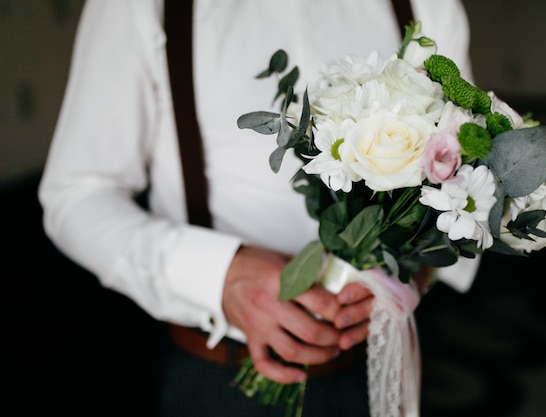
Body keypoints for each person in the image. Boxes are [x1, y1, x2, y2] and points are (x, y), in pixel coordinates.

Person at [38, 0, 479, 415]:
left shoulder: (427, 5)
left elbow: (470, 169)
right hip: (221, 379)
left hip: (384, 363)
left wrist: (414, 273)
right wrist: (221, 275)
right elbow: (76, 193)